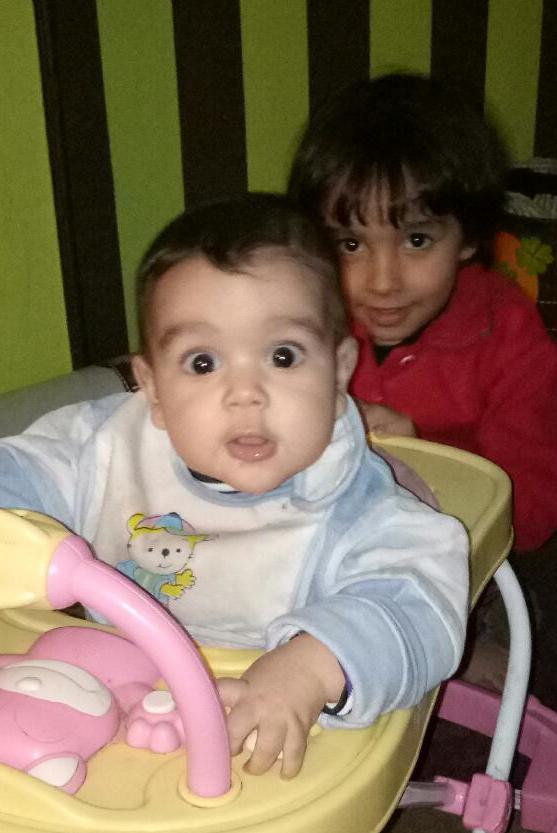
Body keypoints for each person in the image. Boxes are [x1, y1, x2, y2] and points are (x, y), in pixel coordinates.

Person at [0, 193, 468, 777]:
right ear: (152, 387)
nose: (246, 393)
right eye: (202, 363)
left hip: (265, 726)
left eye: (283, 356)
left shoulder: (353, 504)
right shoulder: (105, 446)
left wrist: (312, 666)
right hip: (116, 691)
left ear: (339, 369)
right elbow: (22, 470)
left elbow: (421, 598)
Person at [288, 72, 557, 554]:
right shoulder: (299, 311)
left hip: (451, 565)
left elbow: (533, 514)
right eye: (350, 244)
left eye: (417, 240)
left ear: (469, 237)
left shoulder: (509, 333)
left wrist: (422, 463)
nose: (383, 282)